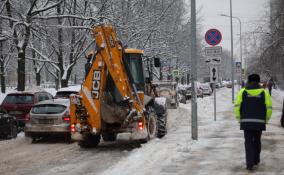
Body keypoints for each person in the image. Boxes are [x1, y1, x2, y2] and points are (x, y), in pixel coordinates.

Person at [234, 74, 272, 171]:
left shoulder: (242, 92)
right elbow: (269, 108)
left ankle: (249, 164)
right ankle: (256, 159)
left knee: (248, 142)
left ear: (248, 81)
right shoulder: (264, 93)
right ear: (258, 81)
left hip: (246, 122)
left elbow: (237, 106)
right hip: (259, 122)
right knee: (257, 140)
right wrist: (266, 119)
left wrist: (239, 119)